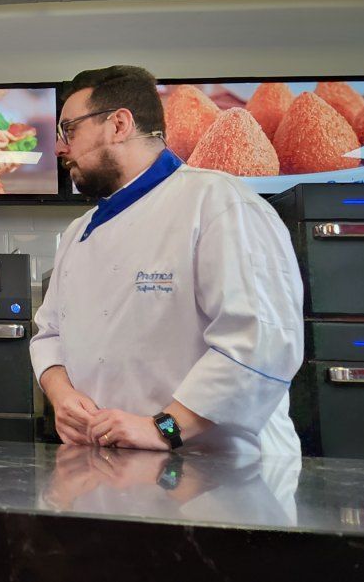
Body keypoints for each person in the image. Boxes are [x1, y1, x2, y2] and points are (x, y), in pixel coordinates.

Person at [31, 65, 303, 456]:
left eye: (69, 130)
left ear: (119, 124)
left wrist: (164, 428)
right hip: (111, 466)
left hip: (219, 477)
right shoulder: (78, 231)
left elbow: (261, 344)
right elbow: (49, 334)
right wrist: (63, 396)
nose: (61, 148)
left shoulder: (219, 203)